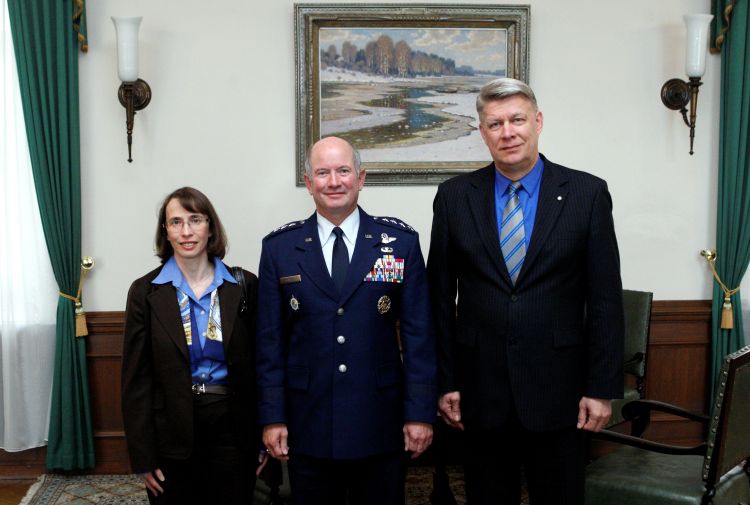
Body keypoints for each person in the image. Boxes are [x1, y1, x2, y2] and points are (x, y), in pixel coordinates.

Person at [427, 78, 624, 504]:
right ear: (482, 132)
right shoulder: (454, 197)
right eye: (495, 124)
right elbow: (439, 300)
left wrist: (600, 387)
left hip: (561, 392)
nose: (508, 132)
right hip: (480, 393)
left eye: (517, 120)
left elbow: (605, 299)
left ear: (538, 122)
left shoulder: (587, 194)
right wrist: (445, 382)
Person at [256, 136, 437, 505]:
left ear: (361, 178)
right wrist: (273, 417)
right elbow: (269, 342)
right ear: (309, 183)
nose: (334, 182)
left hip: (379, 420)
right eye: (323, 173)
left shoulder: (399, 243)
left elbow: (419, 336)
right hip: (309, 422)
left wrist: (419, 413)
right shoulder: (279, 249)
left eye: (343, 171)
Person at [122, 187, 264, 504]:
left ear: (210, 227)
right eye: (176, 222)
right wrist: (142, 455)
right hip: (170, 432)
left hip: (233, 431)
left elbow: (261, 367)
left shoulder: (244, 286)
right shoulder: (145, 292)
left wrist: (262, 436)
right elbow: (136, 381)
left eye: (195, 220)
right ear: (166, 231)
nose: (186, 231)